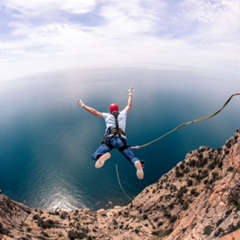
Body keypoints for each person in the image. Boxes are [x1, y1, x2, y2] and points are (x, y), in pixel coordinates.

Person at [76, 86, 144, 180]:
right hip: (121, 140)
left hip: (110, 141)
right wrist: (130, 94)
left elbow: (94, 112)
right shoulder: (123, 113)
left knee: (95, 155)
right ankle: (137, 163)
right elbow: (129, 105)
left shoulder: (107, 116)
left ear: (110, 110)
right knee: (131, 157)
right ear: (118, 109)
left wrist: (83, 105)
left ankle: (101, 156)